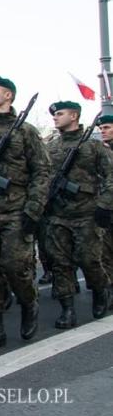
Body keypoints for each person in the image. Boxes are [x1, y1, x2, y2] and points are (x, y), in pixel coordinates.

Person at [0, 75, 50, 349]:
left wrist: (34, 208)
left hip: (17, 210)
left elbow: (42, 171)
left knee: (15, 266)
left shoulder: (25, 131)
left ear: (8, 95)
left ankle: (29, 303)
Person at [44, 101, 112, 326]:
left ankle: (101, 290)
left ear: (74, 116)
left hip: (87, 214)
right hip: (58, 215)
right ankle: (67, 309)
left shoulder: (94, 147)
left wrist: (104, 205)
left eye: (60, 114)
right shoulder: (51, 147)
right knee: (60, 263)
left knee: (90, 260)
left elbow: (111, 176)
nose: (55, 117)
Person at [98, 114, 113, 309]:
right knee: (106, 253)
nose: (103, 131)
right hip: (107, 210)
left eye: (107, 127)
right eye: (101, 128)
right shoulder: (102, 152)